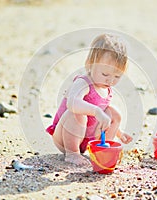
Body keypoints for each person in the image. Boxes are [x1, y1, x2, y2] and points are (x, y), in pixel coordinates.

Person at [46, 33, 133, 166]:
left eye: (117, 76)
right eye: (105, 74)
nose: (110, 80)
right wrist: (96, 111)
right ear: (90, 65)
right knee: (79, 114)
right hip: (65, 136)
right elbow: (72, 103)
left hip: (88, 139)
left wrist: (120, 134)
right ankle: (72, 154)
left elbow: (105, 115)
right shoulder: (83, 83)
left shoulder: (106, 87)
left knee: (114, 113)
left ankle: (104, 149)